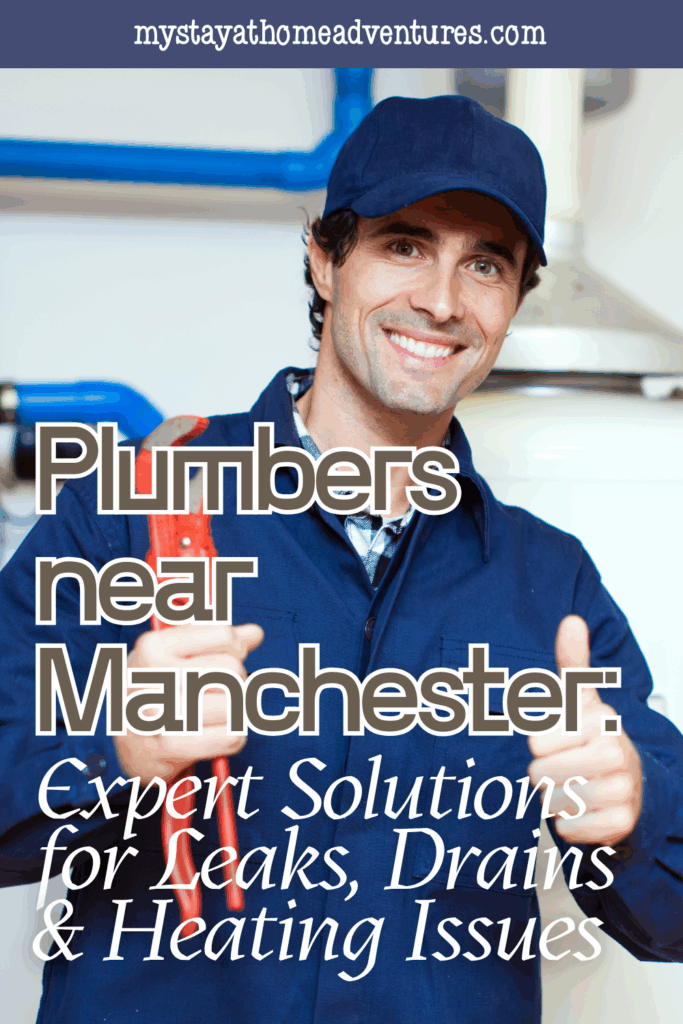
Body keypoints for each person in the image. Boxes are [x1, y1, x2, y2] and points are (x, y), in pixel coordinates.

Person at [1, 94, 682, 1024]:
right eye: (404, 245)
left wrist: (629, 811)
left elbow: (673, 913)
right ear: (325, 259)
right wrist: (108, 744)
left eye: (484, 263)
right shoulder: (133, 515)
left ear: (514, 303)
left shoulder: (547, 584)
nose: (441, 301)